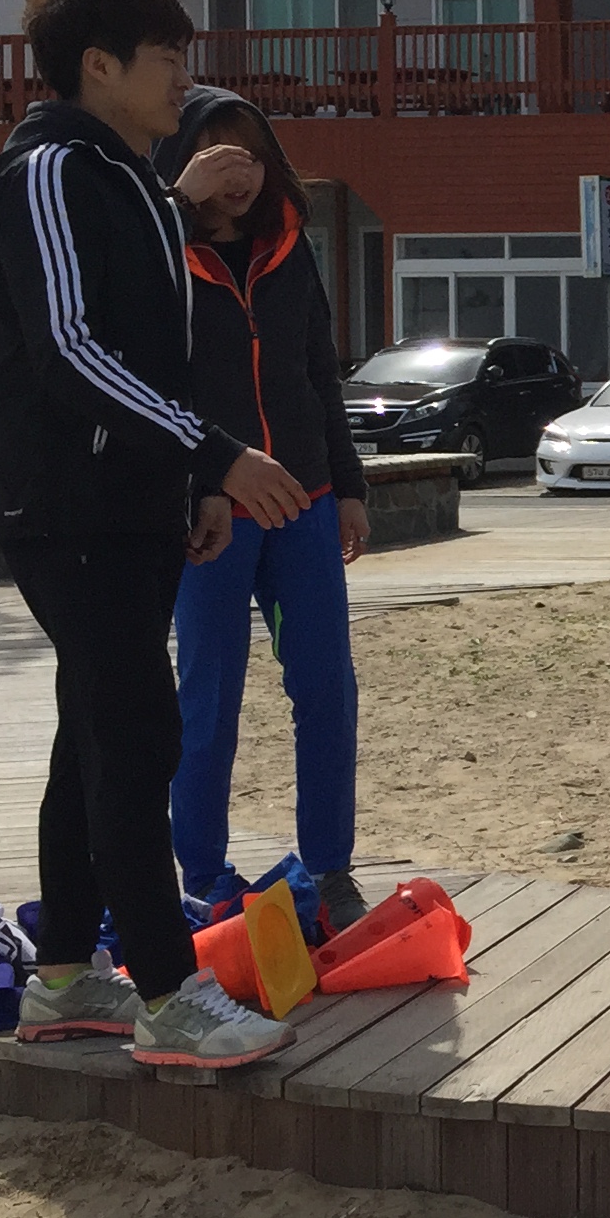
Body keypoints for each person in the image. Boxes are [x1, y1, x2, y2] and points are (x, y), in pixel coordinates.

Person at [0, 0, 308, 1071]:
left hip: (128, 504)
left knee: (95, 731)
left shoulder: (129, 184)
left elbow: (160, 356)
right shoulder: (51, 171)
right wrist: (220, 456)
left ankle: (67, 975)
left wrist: (191, 488)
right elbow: (69, 351)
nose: (186, 81)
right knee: (136, 733)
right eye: (168, 59)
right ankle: (168, 996)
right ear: (99, 66)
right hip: (65, 505)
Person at [154, 88, 373, 931]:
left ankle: (331, 866)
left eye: (249, 152)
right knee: (207, 698)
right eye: (216, 153)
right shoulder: (160, 253)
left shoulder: (289, 247)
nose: (236, 172)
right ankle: (205, 875)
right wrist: (202, 482)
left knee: (326, 690)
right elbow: (150, 387)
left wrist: (349, 488)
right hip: (211, 511)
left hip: (306, 502)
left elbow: (321, 371)